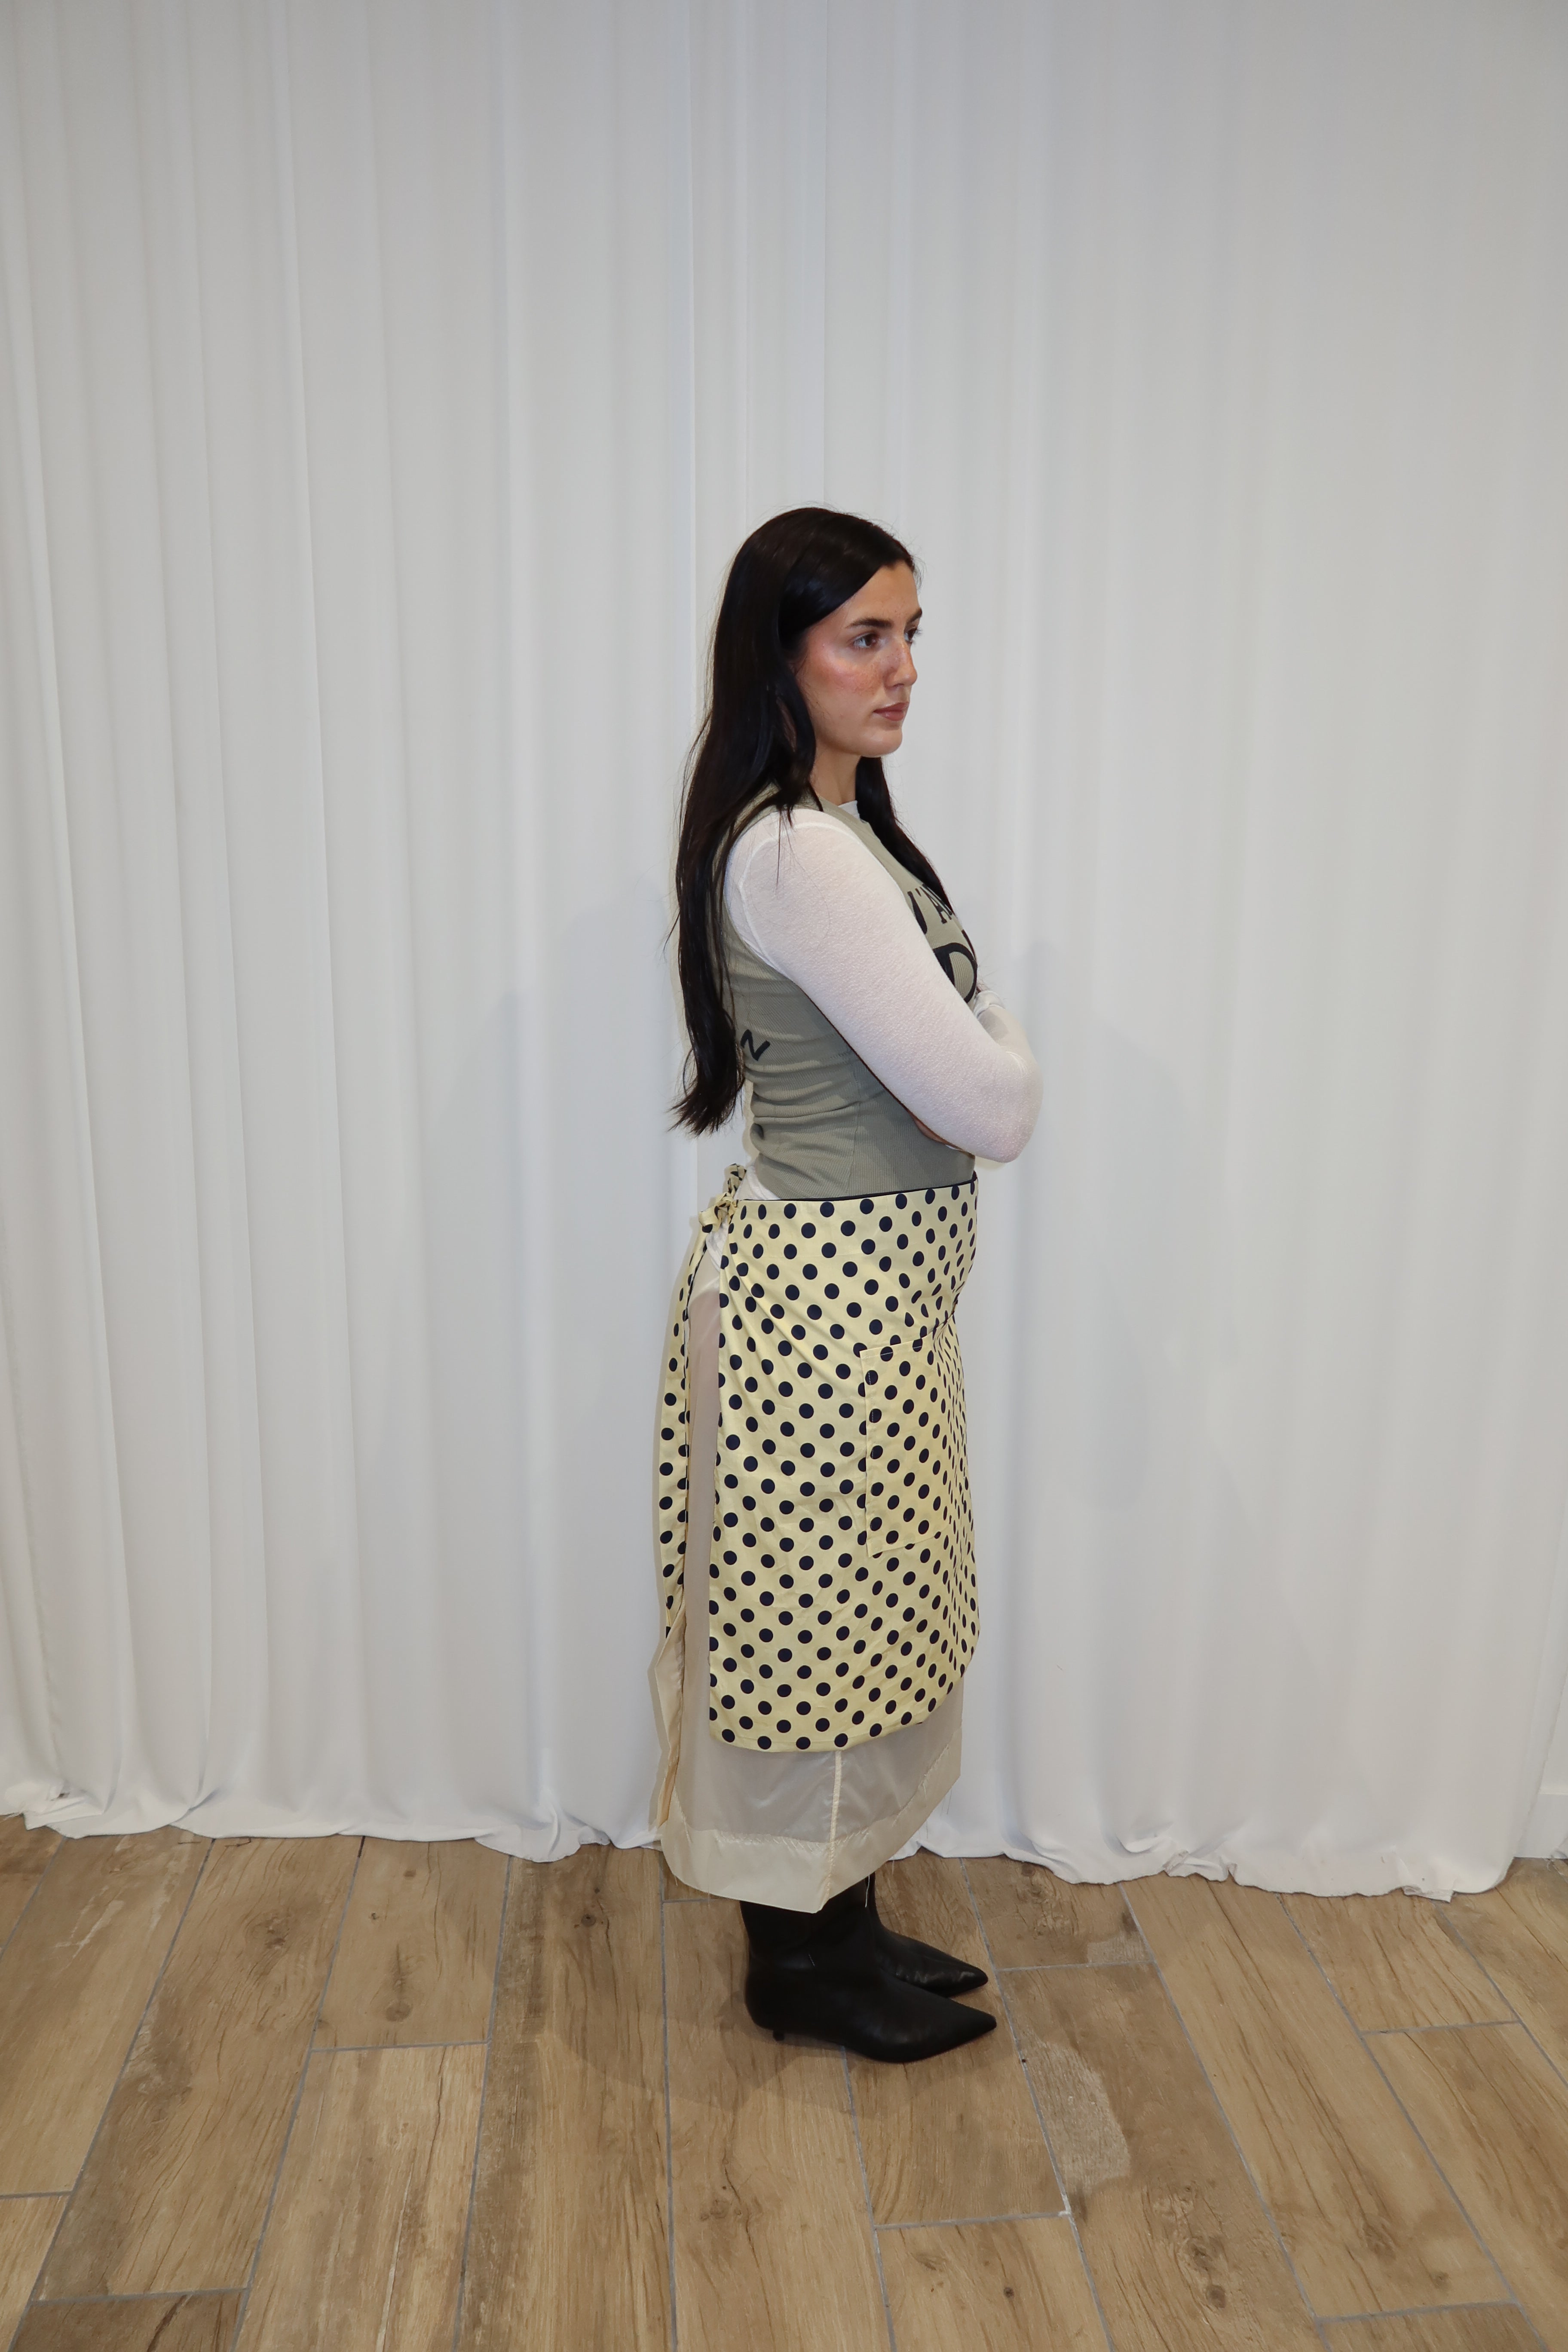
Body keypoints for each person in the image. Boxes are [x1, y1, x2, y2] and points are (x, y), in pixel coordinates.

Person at [651, 508, 1041, 2064]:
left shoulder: (847, 832)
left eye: (911, 634)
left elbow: (970, 1070)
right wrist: (1001, 1022)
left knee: (868, 1611)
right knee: (805, 1630)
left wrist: (984, 1027)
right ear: (785, 655)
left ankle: (846, 1920)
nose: (902, 671)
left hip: (866, 1306)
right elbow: (994, 1105)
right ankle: (799, 1970)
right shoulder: (803, 856)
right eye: (865, 638)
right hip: (821, 1308)